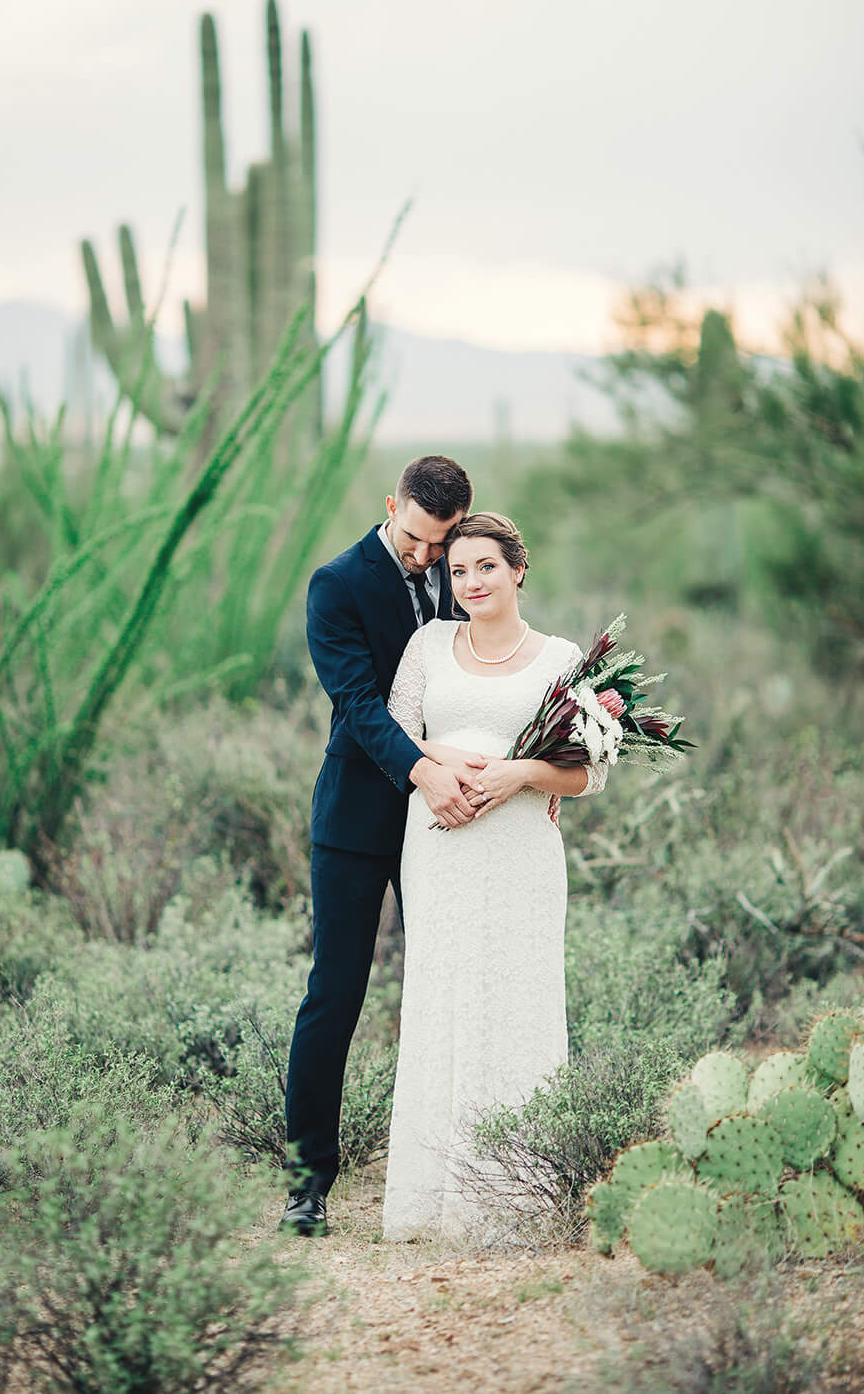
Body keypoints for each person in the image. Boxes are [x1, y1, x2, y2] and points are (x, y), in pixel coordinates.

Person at [379, 511, 602, 1242]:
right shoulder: (428, 645)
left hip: (520, 853)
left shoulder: (560, 657)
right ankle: (432, 1194)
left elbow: (585, 772)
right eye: (459, 569)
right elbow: (395, 731)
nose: (470, 581)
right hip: (439, 846)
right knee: (443, 993)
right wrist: (445, 760)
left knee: (516, 992)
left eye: (486, 567)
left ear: (518, 570)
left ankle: (519, 1192)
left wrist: (516, 773)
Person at [281, 455, 484, 1236]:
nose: (428, 558)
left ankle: (456, 1168)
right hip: (359, 819)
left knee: (451, 982)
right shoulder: (335, 584)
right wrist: (424, 772)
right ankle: (308, 1182)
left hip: (450, 817)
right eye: (418, 539)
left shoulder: (461, 572)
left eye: (442, 544)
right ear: (390, 505)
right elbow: (360, 706)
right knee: (335, 992)